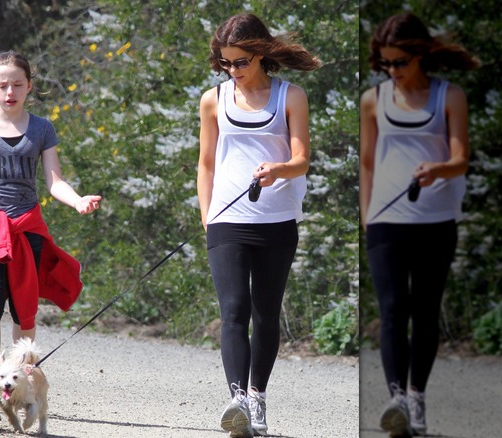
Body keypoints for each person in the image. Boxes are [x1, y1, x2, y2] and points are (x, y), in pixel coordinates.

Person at [197, 13, 320, 437]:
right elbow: (206, 163)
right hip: (226, 218)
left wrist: (279, 169)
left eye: (242, 62)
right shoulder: (213, 99)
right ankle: (237, 403)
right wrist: (206, 216)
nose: (234, 71)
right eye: (227, 63)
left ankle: (257, 397)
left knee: (266, 314)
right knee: (234, 310)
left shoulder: (291, 96)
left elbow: (302, 159)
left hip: (276, 218)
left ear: (261, 54)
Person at [0, 50, 101, 373]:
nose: (9, 92)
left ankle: (18, 376)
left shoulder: (42, 129)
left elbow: (55, 181)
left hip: (27, 226)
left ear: (29, 86)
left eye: (17, 84)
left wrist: (78, 200)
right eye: (2, 85)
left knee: (24, 305)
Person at [360, 12, 479, 437]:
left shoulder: (449, 96)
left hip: (436, 219)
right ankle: (395, 401)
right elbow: (368, 163)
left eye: (400, 63)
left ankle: (416, 397)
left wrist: (438, 170)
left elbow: (461, 159)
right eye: (386, 63)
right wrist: (366, 217)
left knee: (425, 311)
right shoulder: (374, 100)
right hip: (386, 221)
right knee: (392, 310)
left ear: (420, 56)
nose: (392, 71)